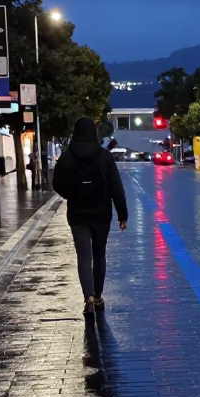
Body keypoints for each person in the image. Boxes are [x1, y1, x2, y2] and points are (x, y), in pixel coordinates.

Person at [52, 116, 128, 317]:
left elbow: (56, 183)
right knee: (99, 255)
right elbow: (116, 188)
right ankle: (99, 296)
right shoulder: (105, 157)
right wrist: (123, 214)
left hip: (77, 214)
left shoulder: (67, 157)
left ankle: (88, 298)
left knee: (84, 256)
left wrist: (71, 194)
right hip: (102, 213)